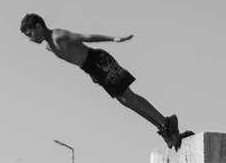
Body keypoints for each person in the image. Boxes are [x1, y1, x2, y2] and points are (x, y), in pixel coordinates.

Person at [20, 14, 192, 149]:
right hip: (92, 70)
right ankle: (164, 129)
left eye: (31, 34)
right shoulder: (49, 46)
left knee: (129, 96)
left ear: (39, 26)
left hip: (98, 61)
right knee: (125, 101)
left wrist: (114, 39)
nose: (31, 39)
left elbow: (86, 37)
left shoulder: (58, 36)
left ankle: (167, 122)